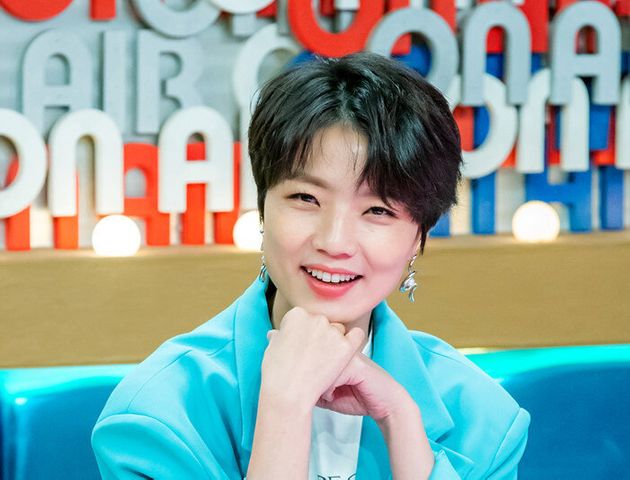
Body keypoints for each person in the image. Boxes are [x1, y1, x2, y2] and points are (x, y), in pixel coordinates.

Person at [92, 52, 530, 479]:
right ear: (263, 208)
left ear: (419, 235)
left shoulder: (484, 422)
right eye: (306, 198)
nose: (334, 242)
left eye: (378, 210)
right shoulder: (156, 419)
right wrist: (284, 407)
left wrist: (402, 424)